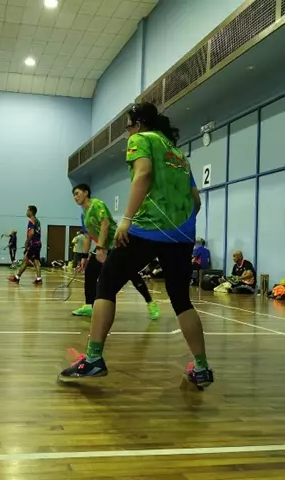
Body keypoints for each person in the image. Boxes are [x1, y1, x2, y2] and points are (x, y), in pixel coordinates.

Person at [59, 102, 213, 389]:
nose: (127, 132)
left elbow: (143, 174)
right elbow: (196, 201)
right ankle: (201, 367)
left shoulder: (141, 140)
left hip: (147, 228)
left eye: (128, 126)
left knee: (106, 284)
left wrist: (127, 219)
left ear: (138, 124)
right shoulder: (179, 155)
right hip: (182, 235)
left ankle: (93, 359)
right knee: (181, 299)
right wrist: (180, 227)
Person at [71, 184, 160, 320]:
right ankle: (89, 306)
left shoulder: (96, 204)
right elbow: (88, 236)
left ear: (86, 193)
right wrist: (84, 256)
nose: (75, 197)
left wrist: (100, 248)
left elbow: (105, 224)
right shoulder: (84, 215)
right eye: (74, 195)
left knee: (130, 273)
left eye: (77, 193)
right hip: (103, 245)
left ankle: (150, 303)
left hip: (116, 243)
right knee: (90, 271)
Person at [8, 206, 42, 285]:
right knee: (36, 261)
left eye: (27, 211)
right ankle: (39, 279)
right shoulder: (37, 221)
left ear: (31, 212)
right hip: (38, 244)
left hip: (33, 245)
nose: (26, 212)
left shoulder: (31, 221)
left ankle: (17, 278)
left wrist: (27, 242)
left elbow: (31, 233)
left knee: (25, 260)